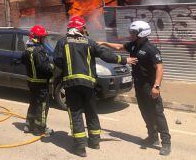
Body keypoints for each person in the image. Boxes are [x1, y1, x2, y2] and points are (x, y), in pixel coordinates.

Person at [54, 16, 137, 157]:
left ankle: (80, 147)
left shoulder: (62, 43)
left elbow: (57, 61)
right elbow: (105, 55)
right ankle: (94, 141)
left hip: (71, 85)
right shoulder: (89, 42)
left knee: (75, 113)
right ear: (80, 28)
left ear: (70, 28)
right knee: (91, 111)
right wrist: (124, 60)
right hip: (89, 84)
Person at [97, 20, 171, 156]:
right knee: (145, 112)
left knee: (157, 114)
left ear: (141, 33)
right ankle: (152, 137)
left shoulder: (150, 49)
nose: (131, 34)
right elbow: (119, 47)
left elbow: (159, 68)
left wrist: (156, 86)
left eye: (133, 32)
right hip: (139, 86)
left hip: (150, 87)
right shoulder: (133, 45)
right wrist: (104, 43)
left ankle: (166, 142)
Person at [21, 25, 54, 136]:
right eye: (42, 37)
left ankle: (28, 125)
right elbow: (44, 67)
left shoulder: (27, 50)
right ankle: (40, 128)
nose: (44, 39)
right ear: (37, 38)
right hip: (41, 84)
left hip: (31, 83)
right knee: (43, 106)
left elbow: (23, 61)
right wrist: (52, 68)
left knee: (33, 103)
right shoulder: (39, 50)